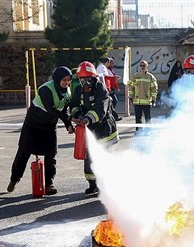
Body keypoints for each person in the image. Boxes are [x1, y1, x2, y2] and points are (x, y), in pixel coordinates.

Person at [7, 66, 74, 195]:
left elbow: (64, 110)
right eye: (64, 79)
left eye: (68, 80)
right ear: (57, 78)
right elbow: (51, 109)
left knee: (51, 155)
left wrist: (68, 124)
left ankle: (49, 184)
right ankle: (14, 179)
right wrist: (67, 120)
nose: (66, 83)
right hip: (33, 124)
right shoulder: (46, 89)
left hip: (49, 125)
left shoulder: (67, 92)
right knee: (24, 152)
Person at [70, 61, 119, 195]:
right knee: (89, 158)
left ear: (93, 78)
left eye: (87, 79)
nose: (84, 82)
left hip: (104, 129)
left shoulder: (101, 89)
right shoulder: (77, 90)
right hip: (89, 128)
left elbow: (100, 109)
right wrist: (78, 115)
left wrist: (87, 119)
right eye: (82, 79)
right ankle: (92, 184)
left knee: (104, 157)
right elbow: (73, 105)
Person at [127, 60, 158, 133]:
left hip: (147, 101)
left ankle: (148, 130)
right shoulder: (135, 76)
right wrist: (131, 96)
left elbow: (154, 89)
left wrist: (153, 99)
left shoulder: (150, 77)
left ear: (146, 66)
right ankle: (138, 131)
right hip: (137, 101)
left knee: (147, 117)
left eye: (144, 65)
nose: (142, 67)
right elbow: (131, 87)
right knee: (138, 117)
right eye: (141, 65)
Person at [96, 57, 122, 121]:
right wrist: (113, 78)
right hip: (105, 88)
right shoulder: (102, 67)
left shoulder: (102, 67)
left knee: (110, 102)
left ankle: (112, 115)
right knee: (111, 101)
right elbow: (105, 78)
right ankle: (111, 115)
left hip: (106, 87)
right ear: (107, 62)